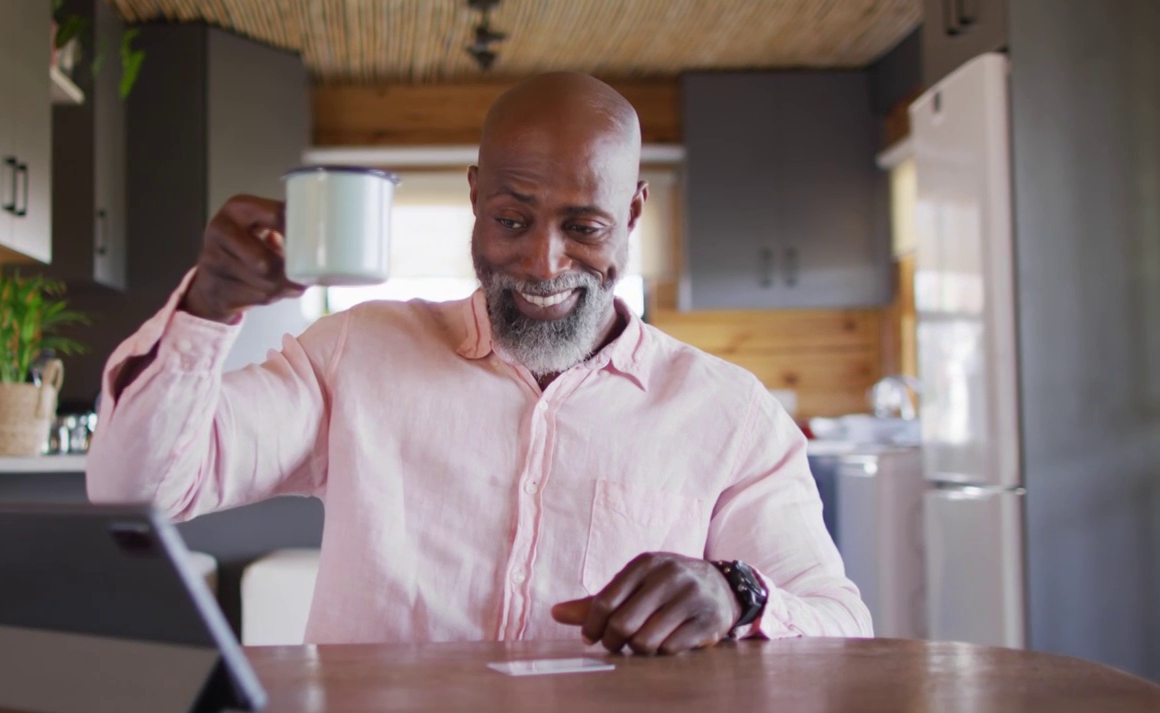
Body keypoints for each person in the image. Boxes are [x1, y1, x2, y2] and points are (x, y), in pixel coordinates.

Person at [87, 72, 872, 656]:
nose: (542, 260)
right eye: (511, 218)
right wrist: (208, 308)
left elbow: (841, 624)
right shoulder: (355, 354)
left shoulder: (727, 412)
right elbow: (139, 489)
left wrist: (738, 594)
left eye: (585, 226)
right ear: (474, 198)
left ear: (633, 212)